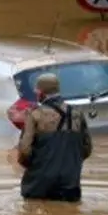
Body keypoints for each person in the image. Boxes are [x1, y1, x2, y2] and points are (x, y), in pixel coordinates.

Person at [16, 72, 92, 202]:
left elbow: (24, 151)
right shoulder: (77, 114)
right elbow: (86, 149)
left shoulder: (35, 115)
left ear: (41, 93)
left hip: (38, 186)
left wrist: (37, 166)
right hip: (70, 186)